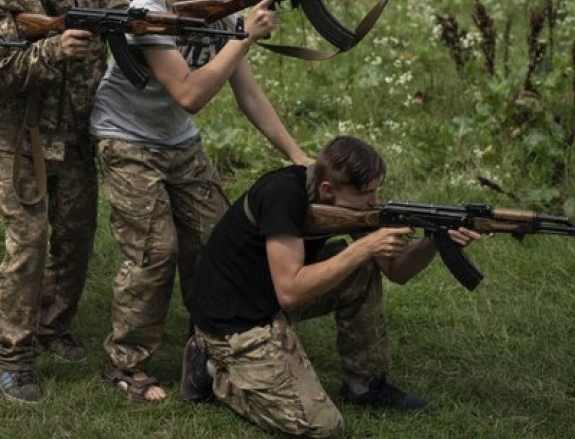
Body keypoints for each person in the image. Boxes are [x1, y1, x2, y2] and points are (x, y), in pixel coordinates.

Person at [91, 0, 311, 402]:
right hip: (126, 139)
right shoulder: (147, 15)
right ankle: (127, 362)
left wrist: (297, 156)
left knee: (216, 243)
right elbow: (189, 93)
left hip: (178, 141)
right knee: (154, 251)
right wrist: (243, 38)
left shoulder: (224, 16)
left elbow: (248, 95)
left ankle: (207, 346)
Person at [183, 136, 479, 438]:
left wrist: (433, 241)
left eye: (376, 191)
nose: (374, 201)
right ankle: (210, 369)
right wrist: (362, 248)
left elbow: (397, 271)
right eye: (366, 193)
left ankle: (363, 385)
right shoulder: (282, 194)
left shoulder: (343, 200)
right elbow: (290, 292)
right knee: (324, 427)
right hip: (233, 321)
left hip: (267, 297)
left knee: (361, 268)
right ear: (327, 190)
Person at [0, 0, 132, 403]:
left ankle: (54, 326)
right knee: (27, 244)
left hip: (81, 132)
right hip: (23, 137)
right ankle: (14, 357)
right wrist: (51, 50)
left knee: (76, 237)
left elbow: (130, 14)